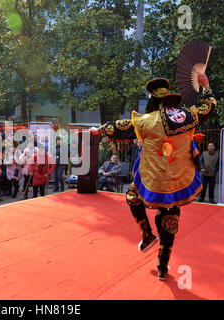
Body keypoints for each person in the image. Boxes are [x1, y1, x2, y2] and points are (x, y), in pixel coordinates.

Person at [92, 75, 216, 281]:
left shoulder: (148, 120)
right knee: (170, 218)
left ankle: (147, 234)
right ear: (171, 101)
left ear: (154, 102)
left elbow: (123, 127)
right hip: (178, 181)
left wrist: (101, 129)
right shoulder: (187, 116)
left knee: (132, 195)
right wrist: (206, 86)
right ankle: (162, 266)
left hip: (154, 181)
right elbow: (208, 106)